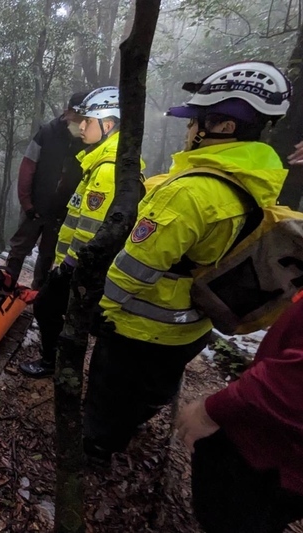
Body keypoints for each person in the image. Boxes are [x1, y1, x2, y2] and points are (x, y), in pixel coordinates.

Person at [85, 61, 292, 462]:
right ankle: (125, 428)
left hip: (140, 328)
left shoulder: (190, 194)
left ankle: (95, 447)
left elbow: (134, 270)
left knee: (111, 396)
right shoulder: (255, 184)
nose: (188, 130)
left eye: (194, 122)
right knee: (149, 393)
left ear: (224, 127)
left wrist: (101, 308)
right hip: (190, 326)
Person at [19, 86, 127, 378]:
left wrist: (67, 267)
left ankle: (54, 363)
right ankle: (65, 363)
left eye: (88, 121)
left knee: (47, 307)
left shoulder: (105, 170)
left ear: (107, 125)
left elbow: (89, 231)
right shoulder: (100, 161)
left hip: (79, 266)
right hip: (80, 265)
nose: (81, 126)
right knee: (68, 313)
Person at [176, 291, 303, 533]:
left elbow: (292, 386)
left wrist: (210, 411)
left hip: (270, 451)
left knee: (230, 516)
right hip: (279, 451)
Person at [5, 90, 87, 289]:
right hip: (36, 204)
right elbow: (27, 167)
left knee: (48, 253)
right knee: (20, 247)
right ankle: (5, 285)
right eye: (78, 117)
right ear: (68, 112)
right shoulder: (47, 132)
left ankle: (37, 293)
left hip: (62, 210)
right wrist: (27, 204)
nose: (81, 123)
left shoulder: (86, 141)